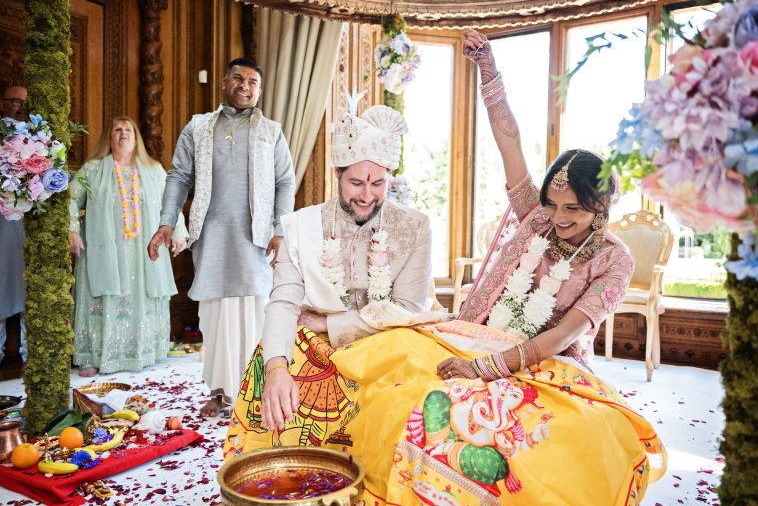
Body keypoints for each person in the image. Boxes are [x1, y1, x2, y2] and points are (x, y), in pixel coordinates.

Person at [224, 33, 666, 506]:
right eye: (552, 204)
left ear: (601, 208)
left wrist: (484, 368)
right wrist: (488, 72)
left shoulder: (614, 260)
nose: (558, 218)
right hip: (470, 335)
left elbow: (561, 338)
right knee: (410, 397)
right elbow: (509, 142)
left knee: (537, 437)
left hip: (545, 360)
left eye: (573, 210)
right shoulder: (535, 219)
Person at [148, 58, 296, 417]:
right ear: (224, 82)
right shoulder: (198, 127)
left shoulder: (271, 131)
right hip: (211, 235)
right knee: (214, 316)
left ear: (260, 91)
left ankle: (255, 390)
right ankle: (219, 391)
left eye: (252, 82)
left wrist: (280, 230)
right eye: (238, 78)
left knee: (255, 313)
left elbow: (285, 182)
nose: (245, 86)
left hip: (254, 238)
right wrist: (167, 222)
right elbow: (178, 176)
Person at [69, 116, 188, 377]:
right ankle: (91, 354)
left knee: (144, 294)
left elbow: (171, 204)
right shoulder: (92, 169)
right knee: (102, 294)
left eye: (128, 130)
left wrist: (178, 232)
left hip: (143, 251)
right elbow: (70, 199)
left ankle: (145, 350)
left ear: (137, 138)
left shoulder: (154, 170)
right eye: (117, 130)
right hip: (104, 250)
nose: (123, 134)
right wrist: (72, 231)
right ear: (109, 138)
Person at [0, 85, 28, 366]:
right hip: (2, 220)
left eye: (21, 102)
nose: (16, 105)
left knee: (28, 286)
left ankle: (29, 355)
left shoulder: (37, 135)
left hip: (27, 217)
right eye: (11, 101)